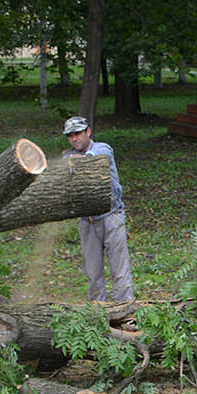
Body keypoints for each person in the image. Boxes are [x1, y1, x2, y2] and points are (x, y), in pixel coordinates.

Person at [62, 115, 134, 302]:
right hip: (88, 221)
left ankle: (126, 313)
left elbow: (94, 158)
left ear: (88, 132)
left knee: (120, 271)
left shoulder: (101, 148)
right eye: (70, 136)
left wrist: (74, 161)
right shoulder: (67, 156)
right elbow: (63, 166)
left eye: (77, 133)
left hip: (112, 217)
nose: (74, 139)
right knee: (93, 273)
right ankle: (98, 314)